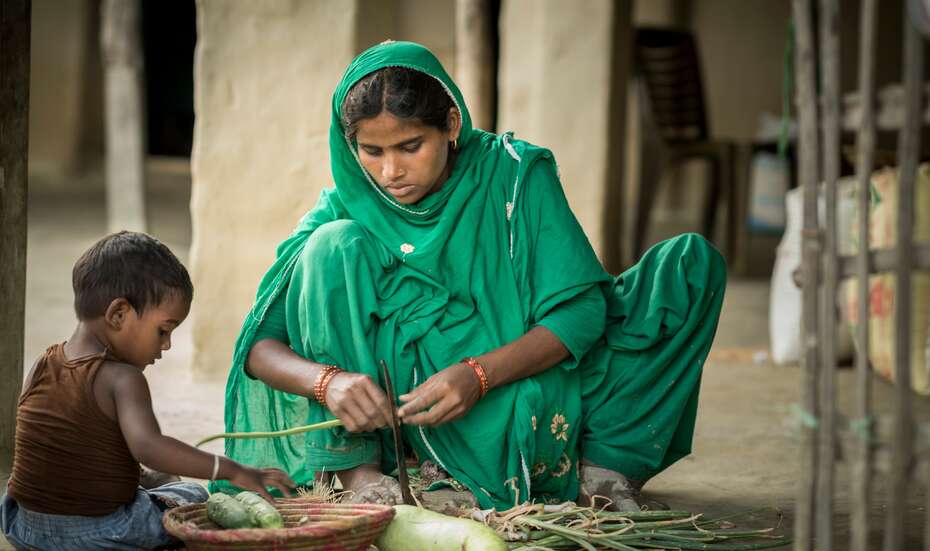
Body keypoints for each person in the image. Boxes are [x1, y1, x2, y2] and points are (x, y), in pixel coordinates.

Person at [218, 41, 726, 511]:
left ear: (452, 124)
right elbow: (262, 348)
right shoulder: (347, 207)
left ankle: (603, 466)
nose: (391, 171)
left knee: (690, 266)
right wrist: (330, 383)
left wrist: (479, 375)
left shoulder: (514, 174)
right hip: (421, 408)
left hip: (521, 373)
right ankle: (359, 472)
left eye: (410, 146)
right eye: (372, 152)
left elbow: (581, 311)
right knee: (330, 246)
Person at [1, 231, 295, 550]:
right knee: (192, 496)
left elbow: (59, 446)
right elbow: (149, 447)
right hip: (96, 533)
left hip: (23, 525)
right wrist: (232, 469)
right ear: (118, 314)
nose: (166, 345)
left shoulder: (43, 362)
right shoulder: (122, 378)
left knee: (159, 479)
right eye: (163, 330)